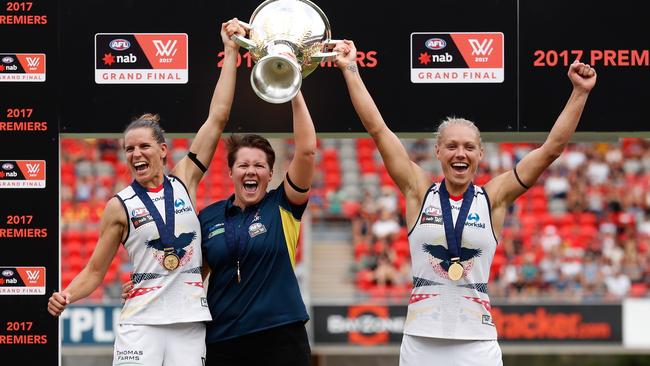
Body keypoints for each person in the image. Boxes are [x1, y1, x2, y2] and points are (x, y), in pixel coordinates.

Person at [334, 39, 596, 365]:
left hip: (478, 343)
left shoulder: (494, 198)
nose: (461, 153)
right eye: (452, 146)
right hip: (421, 342)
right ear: (438, 152)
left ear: (480, 154)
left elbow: (551, 150)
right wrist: (350, 70)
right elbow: (377, 129)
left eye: (469, 147)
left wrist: (580, 93)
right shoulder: (418, 191)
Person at [47, 19, 245, 366]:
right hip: (140, 323)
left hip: (188, 325)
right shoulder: (118, 205)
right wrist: (66, 295)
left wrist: (230, 51)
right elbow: (94, 271)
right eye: (128, 149)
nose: (135, 154)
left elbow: (218, 117)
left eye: (143, 147)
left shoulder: (185, 178)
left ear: (164, 150)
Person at [198, 87, 316, 365]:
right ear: (230, 172)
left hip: (280, 336)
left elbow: (307, 151)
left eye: (259, 166)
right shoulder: (209, 216)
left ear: (270, 173)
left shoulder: (284, 204)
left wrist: (294, 89)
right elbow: (192, 275)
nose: (251, 171)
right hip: (223, 339)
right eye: (243, 165)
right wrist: (151, 282)